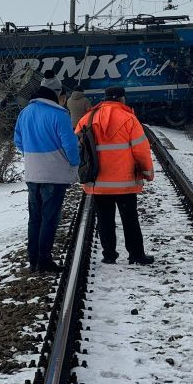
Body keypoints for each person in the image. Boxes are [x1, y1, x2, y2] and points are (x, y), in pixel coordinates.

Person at [76, 86, 155, 266]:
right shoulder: (129, 118)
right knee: (130, 219)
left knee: (104, 220)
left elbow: (77, 149)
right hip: (125, 182)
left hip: (98, 181)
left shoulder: (87, 118)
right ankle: (136, 255)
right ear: (122, 100)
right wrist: (147, 173)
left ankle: (109, 255)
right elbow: (141, 150)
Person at [14, 81, 80, 273]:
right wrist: (74, 163)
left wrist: (32, 156)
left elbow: (18, 140)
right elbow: (70, 145)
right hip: (54, 174)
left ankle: (33, 260)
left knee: (34, 218)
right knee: (49, 218)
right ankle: (44, 260)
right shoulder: (59, 114)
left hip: (32, 174)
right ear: (56, 96)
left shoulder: (25, 112)